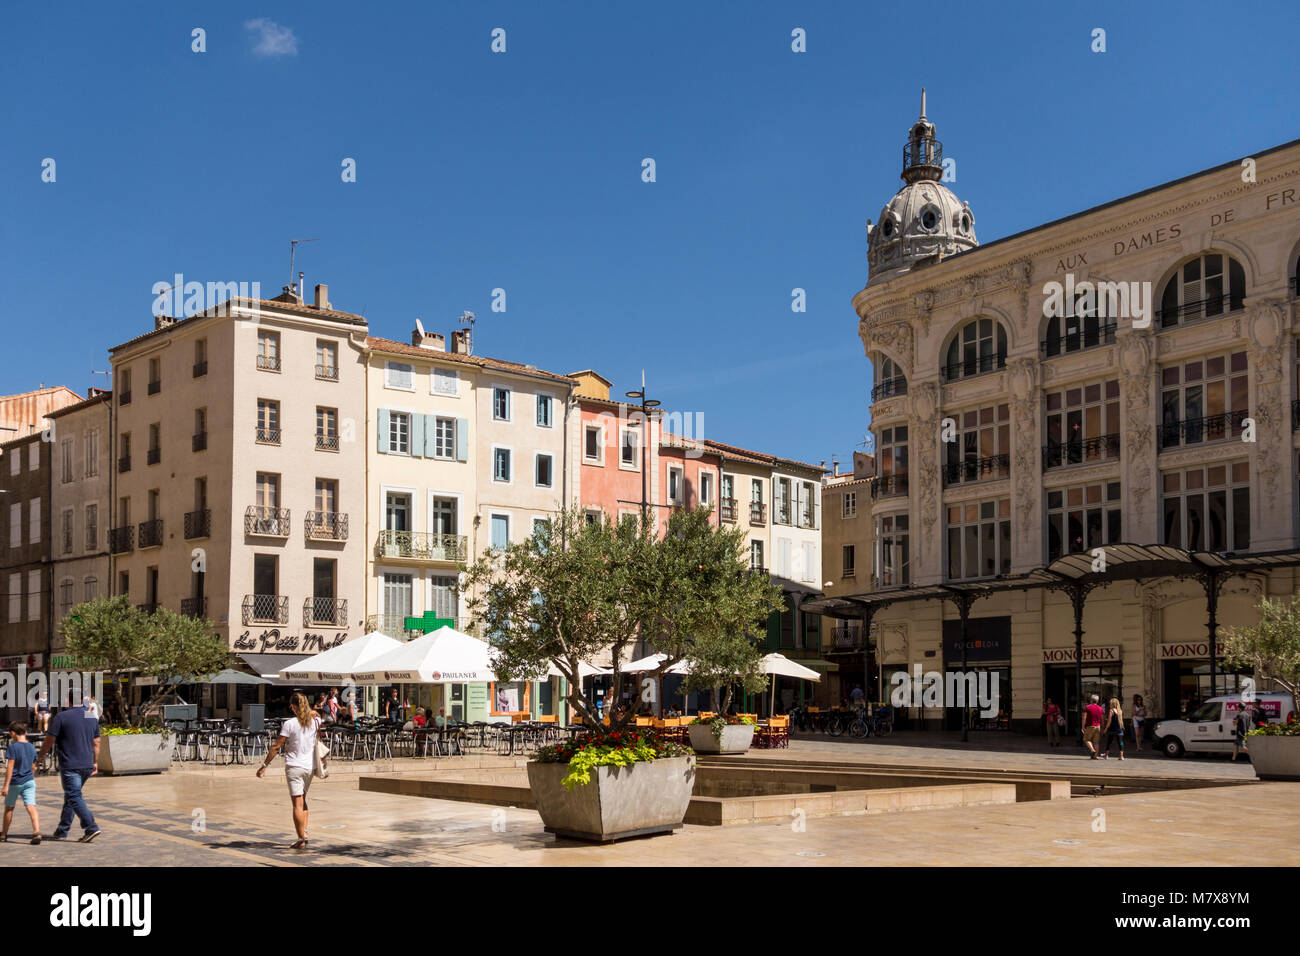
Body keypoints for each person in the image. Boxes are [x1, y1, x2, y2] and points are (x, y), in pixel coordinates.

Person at [257, 692, 323, 850]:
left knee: (297, 804)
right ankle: (304, 831)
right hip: (310, 767)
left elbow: (276, 746)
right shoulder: (315, 721)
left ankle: (301, 837)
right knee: (303, 800)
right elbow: (319, 715)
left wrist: (264, 765)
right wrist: (313, 712)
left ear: (293, 707)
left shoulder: (290, 724)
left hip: (294, 767)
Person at [36, 699, 100, 842]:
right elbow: (97, 742)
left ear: (69, 702)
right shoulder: (90, 717)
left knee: (73, 796)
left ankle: (91, 827)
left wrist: (40, 757)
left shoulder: (61, 717)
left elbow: (49, 740)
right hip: (87, 764)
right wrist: (95, 762)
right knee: (71, 796)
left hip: (71, 764)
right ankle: (62, 830)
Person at [2, 722, 40, 845]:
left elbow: (10, 767)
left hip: (15, 782)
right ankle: (36, 832)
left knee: (9, 808)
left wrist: (6, 785)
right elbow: (34, 766)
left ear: (13, 733)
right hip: (29, 781)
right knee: (31, 806)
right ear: (25, 732)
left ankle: (3, 834)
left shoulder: (13, 747)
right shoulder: (31, 747)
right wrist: (30, 777)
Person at [1081, 694, 1105, 759]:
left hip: (1090, 726)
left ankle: (1092, 750)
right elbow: (1102, 719)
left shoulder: (1087, 707)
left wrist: (1083, 726)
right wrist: (1102, 727)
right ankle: (1095, 756)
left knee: (1086, 739)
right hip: (1098, 726)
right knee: (1096, 742)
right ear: (1097, 701)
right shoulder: (1100, 708)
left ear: (1091, 700)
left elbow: (1084, 717)